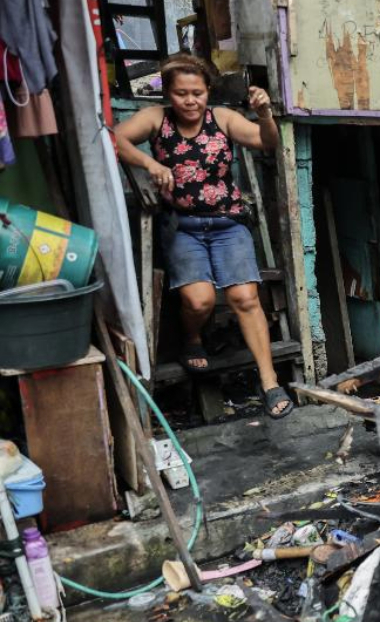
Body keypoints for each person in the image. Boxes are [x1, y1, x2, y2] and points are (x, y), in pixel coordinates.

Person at [115, 54, 292, 419]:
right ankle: (193, 338)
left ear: (208, 91)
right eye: (181, 93)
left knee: (245, 297)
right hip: (183, 226)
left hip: (228, 224)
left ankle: (270, 382)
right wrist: (149, 163)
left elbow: (266, 141)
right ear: (168, 93)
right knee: (199, 301)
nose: (190, 101)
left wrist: (264, 114)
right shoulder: (156, 119)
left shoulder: (222, 118)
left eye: (197, 93)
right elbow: (115, 138)